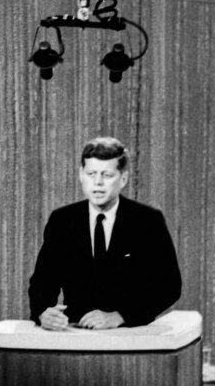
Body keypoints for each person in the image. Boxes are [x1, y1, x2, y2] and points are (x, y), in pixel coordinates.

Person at [28, 137, 181, 330]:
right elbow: (42, 282)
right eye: (91, 173)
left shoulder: (147, 220)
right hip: (75, 333)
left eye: (107, 175)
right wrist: (43, 312)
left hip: (131, 336)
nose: (98, 183)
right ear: (81, 175)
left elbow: (169, 286)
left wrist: (120, 316)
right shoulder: (63, 220)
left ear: (123, 178)